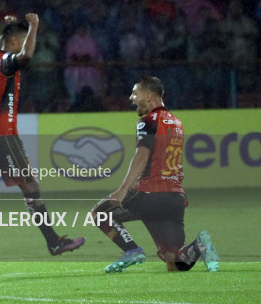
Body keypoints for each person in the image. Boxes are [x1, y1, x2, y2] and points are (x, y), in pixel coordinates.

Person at [0, 14, 85, 260]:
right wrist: (34, 25)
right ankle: (54, 242)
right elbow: (26, 56)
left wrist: (5, 29)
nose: (27, 44)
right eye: (22, 40)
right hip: (3, 136)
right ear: (13, 41)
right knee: (31, 186)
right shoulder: (5, 62)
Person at [90, 76, 220, 273]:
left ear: (149, 97)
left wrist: (123, 190)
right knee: (174, 263)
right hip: (174, 198)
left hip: (149, 192)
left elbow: (142, 156)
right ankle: (199, 245)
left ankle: (131, 250)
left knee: (99, 213)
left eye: (135, 93)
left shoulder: (148, 122)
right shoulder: (176, 122)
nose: (131, 98)